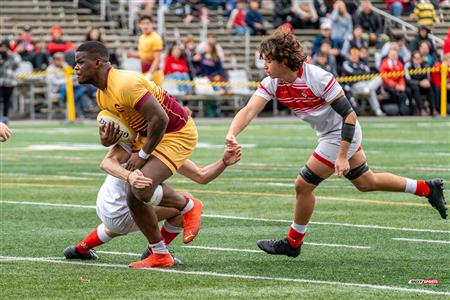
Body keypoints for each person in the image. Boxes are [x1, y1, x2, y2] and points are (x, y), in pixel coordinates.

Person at [225, 29, 447, 259]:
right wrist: (232, 133)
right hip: (329, 135)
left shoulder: (317, 77)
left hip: (341, 133)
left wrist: (341, 155)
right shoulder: (273, 82)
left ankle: (293, 243)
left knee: (303, 185)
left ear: (283, 60)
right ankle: (427, 188)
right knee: (366, 182)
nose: (264, 66)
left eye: (268, 60)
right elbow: (249, 110)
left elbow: (349, 116)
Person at [74, 41, 202, 268]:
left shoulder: (124, 83)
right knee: (135, 193)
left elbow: (160, 119)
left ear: (98, 62)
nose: (76, 68)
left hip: (177, 132)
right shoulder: (102, 97)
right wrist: (106, 140)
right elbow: (128, 132)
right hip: (152, 134)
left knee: (141, 187)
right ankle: (160, 254)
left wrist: (142, 155)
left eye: (80, 62)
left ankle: (188, 206)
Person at [64, 140, 241, 261]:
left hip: (106, 205)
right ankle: (155, 251)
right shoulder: (151, 145)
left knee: (122, 219)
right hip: (123, 212)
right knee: (186, 202)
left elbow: (202, 175)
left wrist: (223, 162)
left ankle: (80, 249)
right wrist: (130, 176)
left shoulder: (138, 140)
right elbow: (201, 176)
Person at [126, 15, 164, 86]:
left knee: (156, 97)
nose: (145, 26)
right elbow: (144, 55)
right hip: (144, 72)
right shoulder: (142, 37)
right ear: (139, 25)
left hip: (154, 74)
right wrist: (132, 55)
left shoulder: (156, 38)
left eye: (147, 23)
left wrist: (150, 74)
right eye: (143, 23)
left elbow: (157, 59)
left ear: (152, 24)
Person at [379, 48, 409, 115]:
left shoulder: (399, 64)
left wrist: (402, 85)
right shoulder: (385, 63)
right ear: (389, 55)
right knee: (394, 92)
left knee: (407, 91)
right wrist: (395, 85)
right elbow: (385, 78)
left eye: (395, 55)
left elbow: (401, 77)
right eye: (392, 55)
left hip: (398, 85)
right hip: (388, 86)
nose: (394, 56)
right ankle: (396, 111)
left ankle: (405, 110)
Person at [405, 51, 434, 116]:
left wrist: (427, 81)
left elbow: (428, 77)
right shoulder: (408, 65)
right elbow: (407, 80)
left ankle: (432, 108)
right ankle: (421, 109)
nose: (417, 60)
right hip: (413, 85)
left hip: (423, 84)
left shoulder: (425, 65)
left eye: (419, 58)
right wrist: (419, 83)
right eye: (415, 58)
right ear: (412, 59)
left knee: (430, 87)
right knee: (416, 88)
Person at [0, 39, 20, 125]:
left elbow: (17, 64)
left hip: (10, 81)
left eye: (5, 47)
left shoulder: (13, 55)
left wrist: (9, 55)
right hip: (1, 81)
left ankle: (5, 118)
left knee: (7, 101)